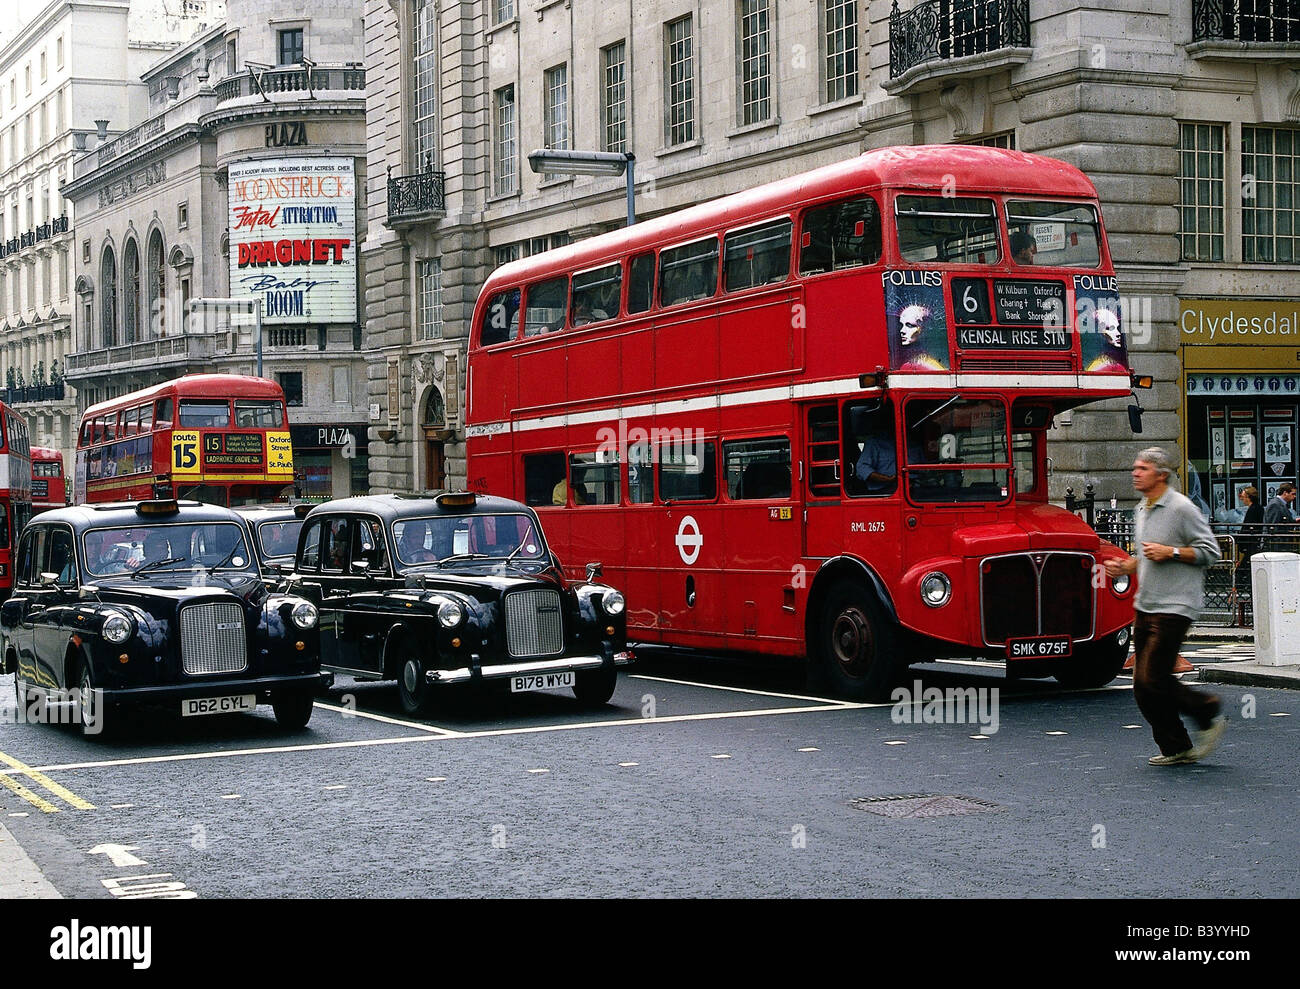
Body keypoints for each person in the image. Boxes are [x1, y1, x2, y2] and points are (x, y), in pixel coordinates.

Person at [1104, 448, 1225, 766]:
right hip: (1146, 605)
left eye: (1142, 468)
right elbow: (1147, 556)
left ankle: (1207, 707)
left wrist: (1171, 552)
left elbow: (1211, 551)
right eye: (1135, 467)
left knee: (1153, 679)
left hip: (1175, 605)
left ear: (1161, 475)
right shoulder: (1143, 508)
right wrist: (1126, 567)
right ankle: (1176, 746)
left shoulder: (1182, 508)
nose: (1135, 472)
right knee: (1142, 687)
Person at [854, 430, 897, 494]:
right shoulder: (874, 442)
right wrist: (889, 479)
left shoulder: (911, 442)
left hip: (913, 485)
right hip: (885, 489)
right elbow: (862, 469)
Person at [1263, 481, 1297, 552]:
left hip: (1281, 543)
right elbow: (1273, 526)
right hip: (1278, 545)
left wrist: (1294, 521)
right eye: (1293, 494)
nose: (1294, 496)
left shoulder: (1281, 504)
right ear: (1285, 493)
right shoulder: (1275, 504)